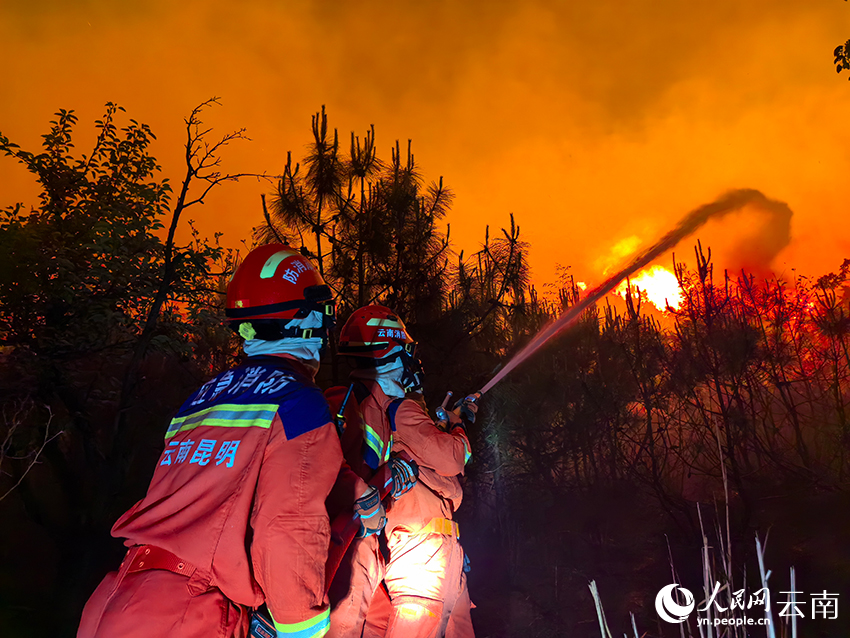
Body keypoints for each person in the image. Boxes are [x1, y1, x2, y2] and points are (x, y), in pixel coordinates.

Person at [77, 243, 373, 638]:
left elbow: (228, 480)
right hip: (191, 613)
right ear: (307, 321)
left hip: (119, 598)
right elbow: (287, 525)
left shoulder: (201, 397)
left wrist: (356, 490)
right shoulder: (299, 402)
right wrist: (300, 625)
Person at [334, 305, 477, 638]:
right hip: (419, 548)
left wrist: (438, 423)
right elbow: (452, 457)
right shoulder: (397, 407)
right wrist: (456, 426)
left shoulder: (358, 404)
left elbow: (415, 447)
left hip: (397, 540)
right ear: (392, 354)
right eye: (406, 354)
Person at [324, 307, 418, 638]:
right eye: (406, 353)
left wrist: (394, 478)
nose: (412, 365)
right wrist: (364, 493)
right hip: (343, 548)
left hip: (370, 544)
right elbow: (314, 470)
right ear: (389, 353)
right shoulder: (344, 402)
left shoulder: (382, 410)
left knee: (379, 626)